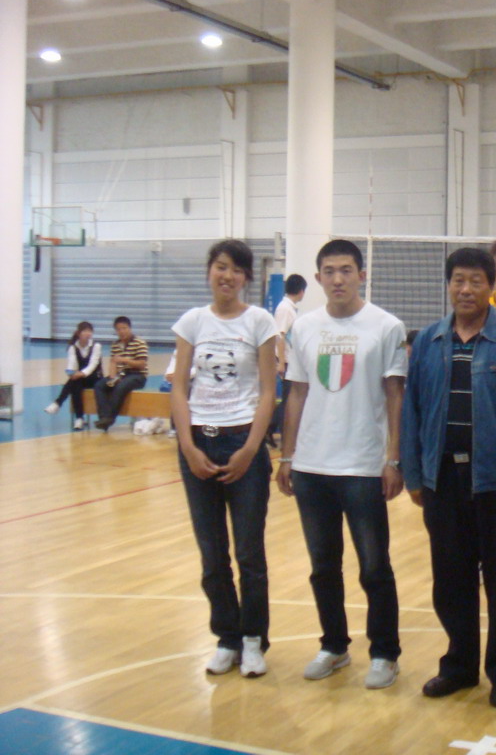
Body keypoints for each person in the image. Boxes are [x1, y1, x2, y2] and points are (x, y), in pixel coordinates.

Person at [401, 247, 496, 709]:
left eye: (475, 281)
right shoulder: (428, 341)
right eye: (458, 280)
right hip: (442, 479)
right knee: (450, 580)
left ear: (491, 285)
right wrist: (414, 472)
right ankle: (459, 667)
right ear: (448, 285)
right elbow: (412, 411)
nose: (466, 289)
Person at [275, 239, 405, 689]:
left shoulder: (386, 326)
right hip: (311, 468)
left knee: (374, 567)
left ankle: (385, 653)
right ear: (317, 278)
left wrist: (393, 458)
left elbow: (394, 395)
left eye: (346, 270)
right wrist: (287, 455)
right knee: (323, 566)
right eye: (329, 271)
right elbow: (296, 392)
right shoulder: (304, 327)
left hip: (363, 467)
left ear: (361, 275)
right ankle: (334, 646)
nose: (337, 279)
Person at [170, 239, 278, 677]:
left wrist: (250, 449)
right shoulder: (192, 322)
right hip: (199, 444)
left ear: (246, 278)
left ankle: (253, 640)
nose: (227, 275)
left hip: (242, 444)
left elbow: (269, 392)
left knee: (249, 553)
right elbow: (179, 387)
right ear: (209, 271)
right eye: (220, 266)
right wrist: (188, 446)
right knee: (212, 554)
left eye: (235, 269)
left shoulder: (261, 322)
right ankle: (226, 638)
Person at [269, 273, 307, 445]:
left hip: (290, 360)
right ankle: (278, 433)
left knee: (288, 398)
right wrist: (281, 363)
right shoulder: (285, 309)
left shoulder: (289, 308)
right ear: (301, 291)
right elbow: (280, 335)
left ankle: (270, 428)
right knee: (288, 400)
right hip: (286, 361)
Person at [93, 316, 148, 431]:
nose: (122, 331)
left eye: (124, 328)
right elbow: (113, 362)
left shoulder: (140, 343)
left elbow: (142, 364)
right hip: (121, 375)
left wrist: (125, 360)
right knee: (99, 385)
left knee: (121, 386)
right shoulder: (115, 344)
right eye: (118, 329)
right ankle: (103, 417)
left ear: (130, 328)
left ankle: (110, 417)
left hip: (137, 375)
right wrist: (112, 378)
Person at [44, 321, 102, 430]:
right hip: (80, 378)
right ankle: (79, 418)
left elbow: (93, 364)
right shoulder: (73, 347)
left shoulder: (96, 346)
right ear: (79, 333)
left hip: (95, 378)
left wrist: (81, 373)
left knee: (75, 381)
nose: (88, 334)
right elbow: (72, 363)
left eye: (90, 331)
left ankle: (58, 403)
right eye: (85, 331)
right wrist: (71, 373)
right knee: (75, 384)